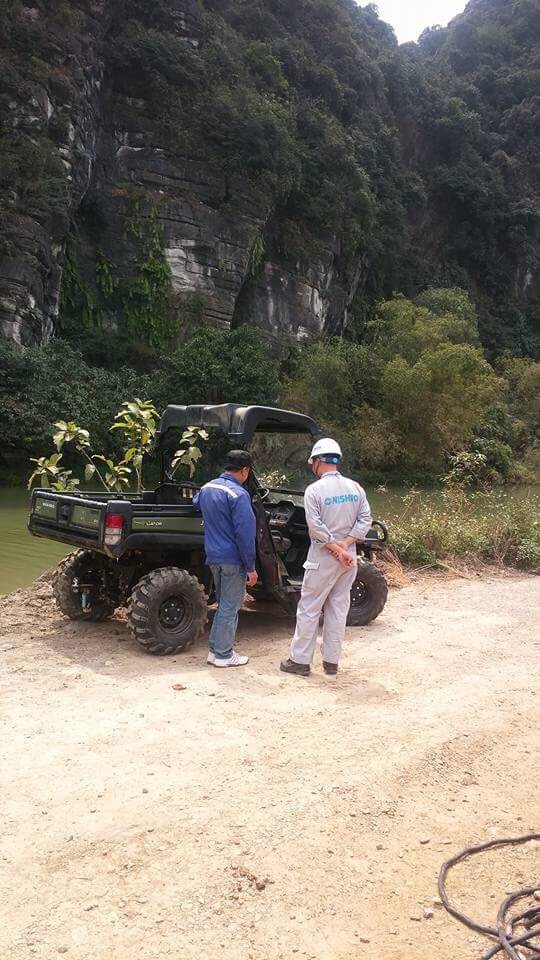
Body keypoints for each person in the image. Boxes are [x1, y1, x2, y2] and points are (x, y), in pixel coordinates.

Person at [280, 438, 372, 677]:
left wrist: (336, 548)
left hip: (323, 558)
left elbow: (316, 528)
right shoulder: (355, 488)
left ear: (318, 461)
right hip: (348, 559)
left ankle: (299, 661)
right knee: (338, 609)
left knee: (310, 608)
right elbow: (365, 520)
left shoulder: (314, 491)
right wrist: (346, 545)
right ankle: (331, 662)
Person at [194, 450, 258, 668]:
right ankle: (224, 654)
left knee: (223, 605)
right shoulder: (239, 495)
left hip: (213, 557)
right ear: (245, 470)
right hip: (233, 560)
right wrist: (250, 567)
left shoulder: (207, 488)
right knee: (230, 607)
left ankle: (214, 650)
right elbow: (245, 535)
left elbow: (196, 503)